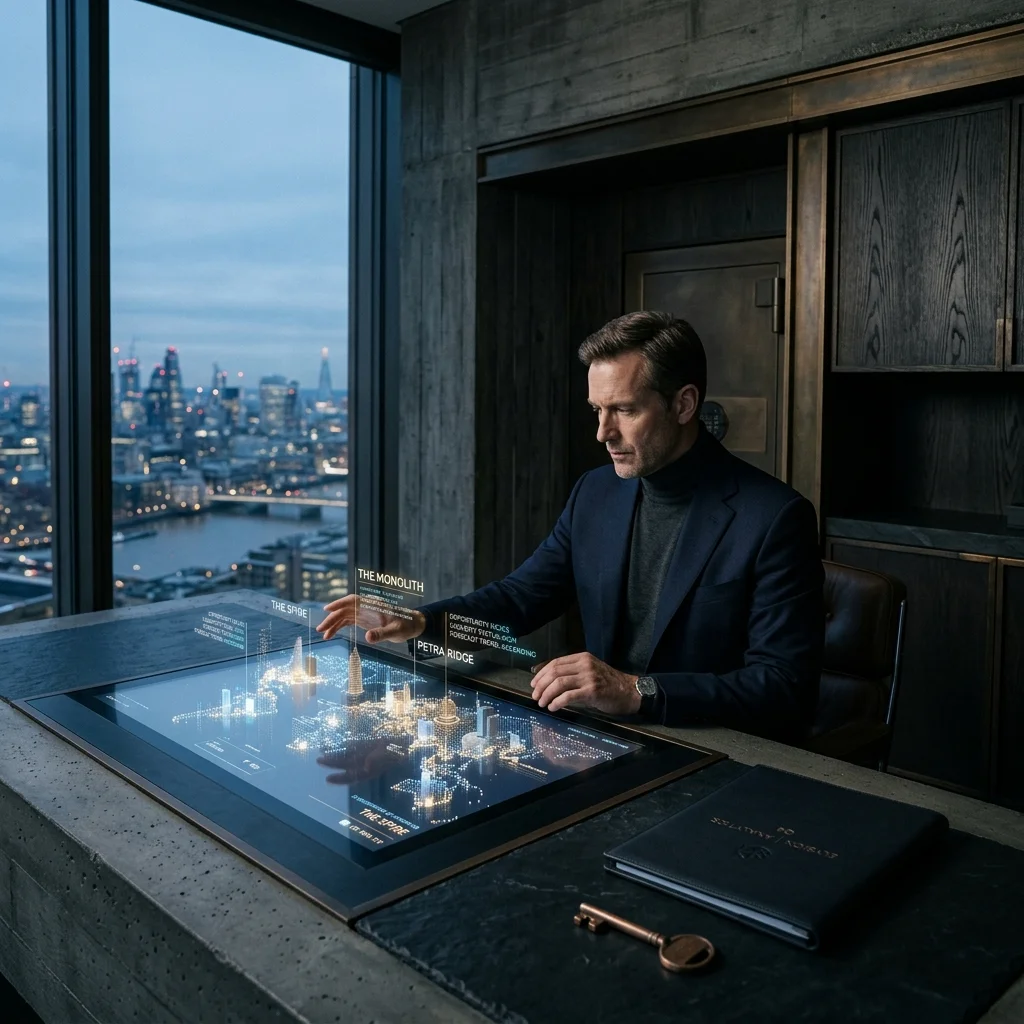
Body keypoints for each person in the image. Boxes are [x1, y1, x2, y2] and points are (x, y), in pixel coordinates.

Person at [317, 311, 825, 743]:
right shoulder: (596, 492)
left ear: (684, 404)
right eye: (598, 411)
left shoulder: (775, 517)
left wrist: (632, 689)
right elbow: (520, 598)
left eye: (624, 410)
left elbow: (782, 686)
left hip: (711, 750)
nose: (603, 433)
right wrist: (421, 622)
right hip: (604, 739)